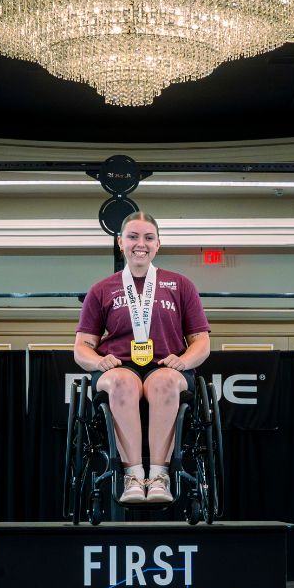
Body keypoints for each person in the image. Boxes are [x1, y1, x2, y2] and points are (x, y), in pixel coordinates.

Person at [74, 212, 211, 504]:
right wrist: (98, 362)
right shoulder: (101, 289)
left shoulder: (181, 285)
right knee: (122, 382)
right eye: (133, 236)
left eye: (148, 237)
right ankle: (134, 477)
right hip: (118, 366)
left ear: (158, 244)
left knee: (163, 383)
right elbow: (81, 348)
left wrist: (185, 361)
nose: (141, 244)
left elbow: (202, 343)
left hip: (166, 365)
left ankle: (159, 477)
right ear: (120, 242)